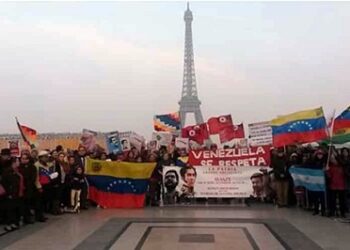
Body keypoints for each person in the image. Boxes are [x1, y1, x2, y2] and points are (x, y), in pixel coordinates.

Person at [19, 153, 46, 223]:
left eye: (26, 159)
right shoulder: (19, 167)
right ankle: (26, 218)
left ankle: (38, 216)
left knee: (35, 203)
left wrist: (30, 183)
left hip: (31, 187)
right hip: (22, 188)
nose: (24, 160)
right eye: (23, 159)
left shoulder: (32, 167)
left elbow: (34, 177)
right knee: (25, 204)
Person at [327, 152, 347, 218]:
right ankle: (333, 212)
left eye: (333, 159)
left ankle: (342, 213)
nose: (332, 160)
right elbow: (329, 176)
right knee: (333, 200)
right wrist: (327, 171)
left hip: (342, 186)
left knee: (342, 201)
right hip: (333, 186)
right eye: (331, 159)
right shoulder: (330, 167)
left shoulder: (342, 166)